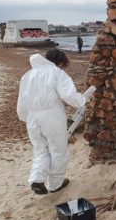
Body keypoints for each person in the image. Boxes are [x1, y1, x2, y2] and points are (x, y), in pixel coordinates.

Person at [17, 49, 86, 195]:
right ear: (60, 62)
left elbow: (21, 104)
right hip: (52, 117)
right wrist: (83, 100)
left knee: (40, 150)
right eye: (62, 65)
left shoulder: (27, 76)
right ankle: (55, 184)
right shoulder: (56, 72)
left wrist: (26, 118)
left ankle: (37, 178)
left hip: (32, 118)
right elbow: (69, 96)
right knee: (58, 151)